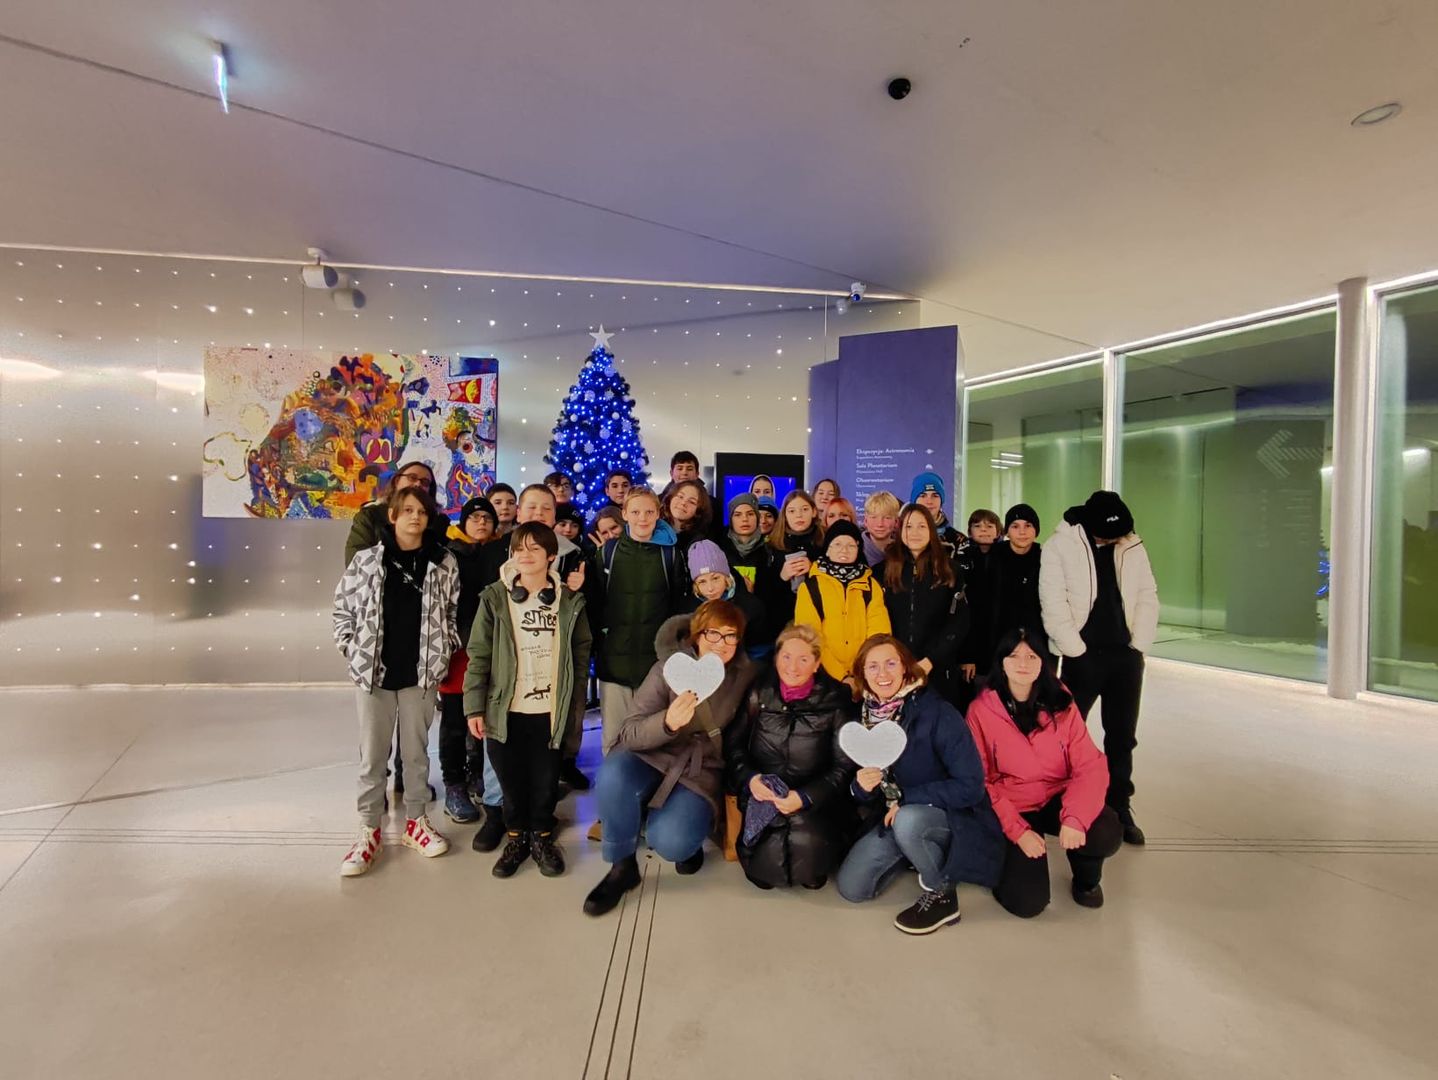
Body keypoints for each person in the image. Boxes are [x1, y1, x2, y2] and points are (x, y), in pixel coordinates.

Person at [583, 600, 759, 916]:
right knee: (612, 775)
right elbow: (629, 732)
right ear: (697, 634)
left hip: (700, 767)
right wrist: (666, 722)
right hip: (652, 753)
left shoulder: (744, 675)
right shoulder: (668, 669)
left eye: (730, 635)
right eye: (713, 633)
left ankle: (686, 840)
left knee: (670, 840)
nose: (721, 643)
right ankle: (622, 866)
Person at [834, 636, 1004, 934]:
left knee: (909, 820)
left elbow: (971, 785)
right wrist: (860, 787)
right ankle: (915, 851)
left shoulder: (937, 713)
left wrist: (906, 797)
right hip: (892, 817)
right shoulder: (862, 718)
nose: (882, 674)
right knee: (852, 888)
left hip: (947, 815)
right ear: (862, 673)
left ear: (905, 668)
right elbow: (865, 795)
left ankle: (942, 895)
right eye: (872, 666)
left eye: (890, 663)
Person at [333, 484, 460, 877]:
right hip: (375, 673)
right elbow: (343, 607)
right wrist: (352, 648)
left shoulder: (444, 562)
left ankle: (416, 822)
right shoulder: (367, 561)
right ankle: (368, 828)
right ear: (392, 516)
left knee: (416, 753)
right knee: (373, 755)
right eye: (407, 510)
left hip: (420, 673)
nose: (415, 517)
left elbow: (452, 612)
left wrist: (443, 650)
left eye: (421, 511)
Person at [463, 523, 592, 878]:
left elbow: (581, 652)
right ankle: (516, 838)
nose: (525, 555)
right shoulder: (494, 598)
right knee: (510, 780)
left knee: (545, 780)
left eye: (535, 548)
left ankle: (542, 837)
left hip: (549, 710)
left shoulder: (569, 600)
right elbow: (479, 654)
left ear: (551, 556)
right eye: (519, 548)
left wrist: (574, 700)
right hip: (505, 709)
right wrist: (474, 706)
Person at [966, 629, 1123, 915]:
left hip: (1057, 795)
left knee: (1105, 829)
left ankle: (1086, 881)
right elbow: (981, 781)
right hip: (1015, 804)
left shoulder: (1061, 701)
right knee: (1028, 903)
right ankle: (1004, 861)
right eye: (1014, 656)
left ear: (1044, 662)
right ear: (1001, 662)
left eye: (1032, 656)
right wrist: (1018, 832)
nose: (1023, 663)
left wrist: (1075, 817)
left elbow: (1089, 764)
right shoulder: (981, 711)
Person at [1039, 490, 1159, 846]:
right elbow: (1052, 601)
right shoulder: (1061, 545)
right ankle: (1059, 801)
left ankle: (1119, 804)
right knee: (1065, 733)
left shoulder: (1131, 544)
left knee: (1122, 736)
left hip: (1126, 656)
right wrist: (1074, 648)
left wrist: (1139, 644)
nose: (1112, 540)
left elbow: (1148, 594)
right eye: (1106, 535)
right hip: (1083, 656)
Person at [725, 624, 857, 890]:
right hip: (763, 796)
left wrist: (806, 797)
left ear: (817, 664)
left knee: (809, 856)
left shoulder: (836, 701)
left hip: (815, 802)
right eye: (786, 657)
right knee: (762, 869)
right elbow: (734, 745)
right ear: (776, 658)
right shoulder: (758, 693)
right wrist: (750, 780)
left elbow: (843, 766)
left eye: (803, 659)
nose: (792, 667)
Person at [484, 484, 589, 790]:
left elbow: (585, 615)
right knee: (501, 736)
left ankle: (548, 789)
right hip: (504, 662)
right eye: (532, 507)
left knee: (546, 739)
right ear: (519, 512)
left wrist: (579, 588)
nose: (539, 513)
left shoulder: (572, 555)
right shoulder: (493, 551)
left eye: (546, 508)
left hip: (548, 665)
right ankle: (496, 801)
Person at [588, 489, 684, 752]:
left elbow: (677, 606)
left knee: (651, 738)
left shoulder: (670, 555)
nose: (643, 518)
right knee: (613, 739)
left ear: (658, 514)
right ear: (625, 514)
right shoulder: (608, 552)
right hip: (614, 660)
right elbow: (596, 602)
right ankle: (612, 778)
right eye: (636, 512)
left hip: (654, 662)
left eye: (649, 512)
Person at [437, 496, 499, 826]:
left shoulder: (501, 552)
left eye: (487, 518)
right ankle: (454, 784)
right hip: (458, 650)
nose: (481, 522)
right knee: (454, 722)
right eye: (474, 518)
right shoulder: (448, 554)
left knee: (484, 719)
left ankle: (478, 774)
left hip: (491, 650)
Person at [882, 504, 968, 702]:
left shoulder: (950, 570)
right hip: (895, 669)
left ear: (931, 530)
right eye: (909, 526)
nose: (915, 532)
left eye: (922, 526)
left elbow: (959, 622)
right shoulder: (884, 570)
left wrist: (931, 660)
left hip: (939, 670)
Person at [794, 521, 891, 685]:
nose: (844, 550)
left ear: (859, 549)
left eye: (851, 545)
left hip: (866, 676)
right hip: (823, 677)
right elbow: (809, 637)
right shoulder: (810, 587)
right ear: (828, 549)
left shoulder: (871, 586)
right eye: (837, 544)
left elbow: (879, 635)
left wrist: (860, 673)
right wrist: (841, 676)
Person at [343, 461, 447, 569]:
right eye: (412, 478)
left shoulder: (438, 521)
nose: (418, 484)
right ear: (397, 481)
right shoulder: (370, 515)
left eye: (425, 482)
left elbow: (447, 562)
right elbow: (355, 562)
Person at [682, 539, 768, 658]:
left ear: (726, 577)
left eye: (715, 578)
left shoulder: (751, 607)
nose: (710, 588)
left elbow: (759, 652)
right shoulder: (686, 611)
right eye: (702, 582)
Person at [765, 490, 826, 627]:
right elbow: (764, 592)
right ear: (785, 516)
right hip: (782, 619)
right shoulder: (772, 545)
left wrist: (813, 568)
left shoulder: (825, 541)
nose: (799, 515)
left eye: (804, 509)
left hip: (820, 616)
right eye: (792, 511)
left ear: (814, 512)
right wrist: (782, 577)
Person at [720, 493, 773, 595]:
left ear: (757, 517)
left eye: (750, 514)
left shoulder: (770, 548)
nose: (745, 519)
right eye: (738, 515)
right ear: (731, 520)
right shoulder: (718, 548)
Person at [908, 471, 964, 553]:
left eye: (935, 496)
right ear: (914, 501)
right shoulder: (902, 536)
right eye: (923, 496)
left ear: (941, 501)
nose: (929, 501)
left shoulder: (958, 540)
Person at [662, 479, 713, 564]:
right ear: (670, 498)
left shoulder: (700, 544)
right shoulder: (654, 529)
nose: (683, 503)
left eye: (692, 502)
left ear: (698, 511)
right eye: (680, 496)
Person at [862, 491, 901, 567]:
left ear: (896, 522)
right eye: (874, 517)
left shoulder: (903, 551)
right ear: (865, 521)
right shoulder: (855, 548)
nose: (880, 524)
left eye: (887, 518)